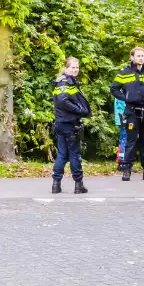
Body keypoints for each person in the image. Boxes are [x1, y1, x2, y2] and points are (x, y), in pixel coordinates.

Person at [109, 47, 144, 182]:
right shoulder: (124, 73)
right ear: (132, 57)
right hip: (131, 111)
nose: (141, 58)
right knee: (131, 141)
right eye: (138, 56)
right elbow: (114, 88)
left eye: (142, 56)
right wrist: (125, 98)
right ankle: (126, 169)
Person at [51, 57, 92, 194]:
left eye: (77, 67)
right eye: (72, 67)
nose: (75, 70)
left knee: (62, 154)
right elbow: (62, 101)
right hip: (68, 124)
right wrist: (79, 110)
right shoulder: (64, 82)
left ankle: (56, 185)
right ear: (65, 68)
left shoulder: (67, 82)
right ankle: (78, 184)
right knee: (74, 155)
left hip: (62, 123)